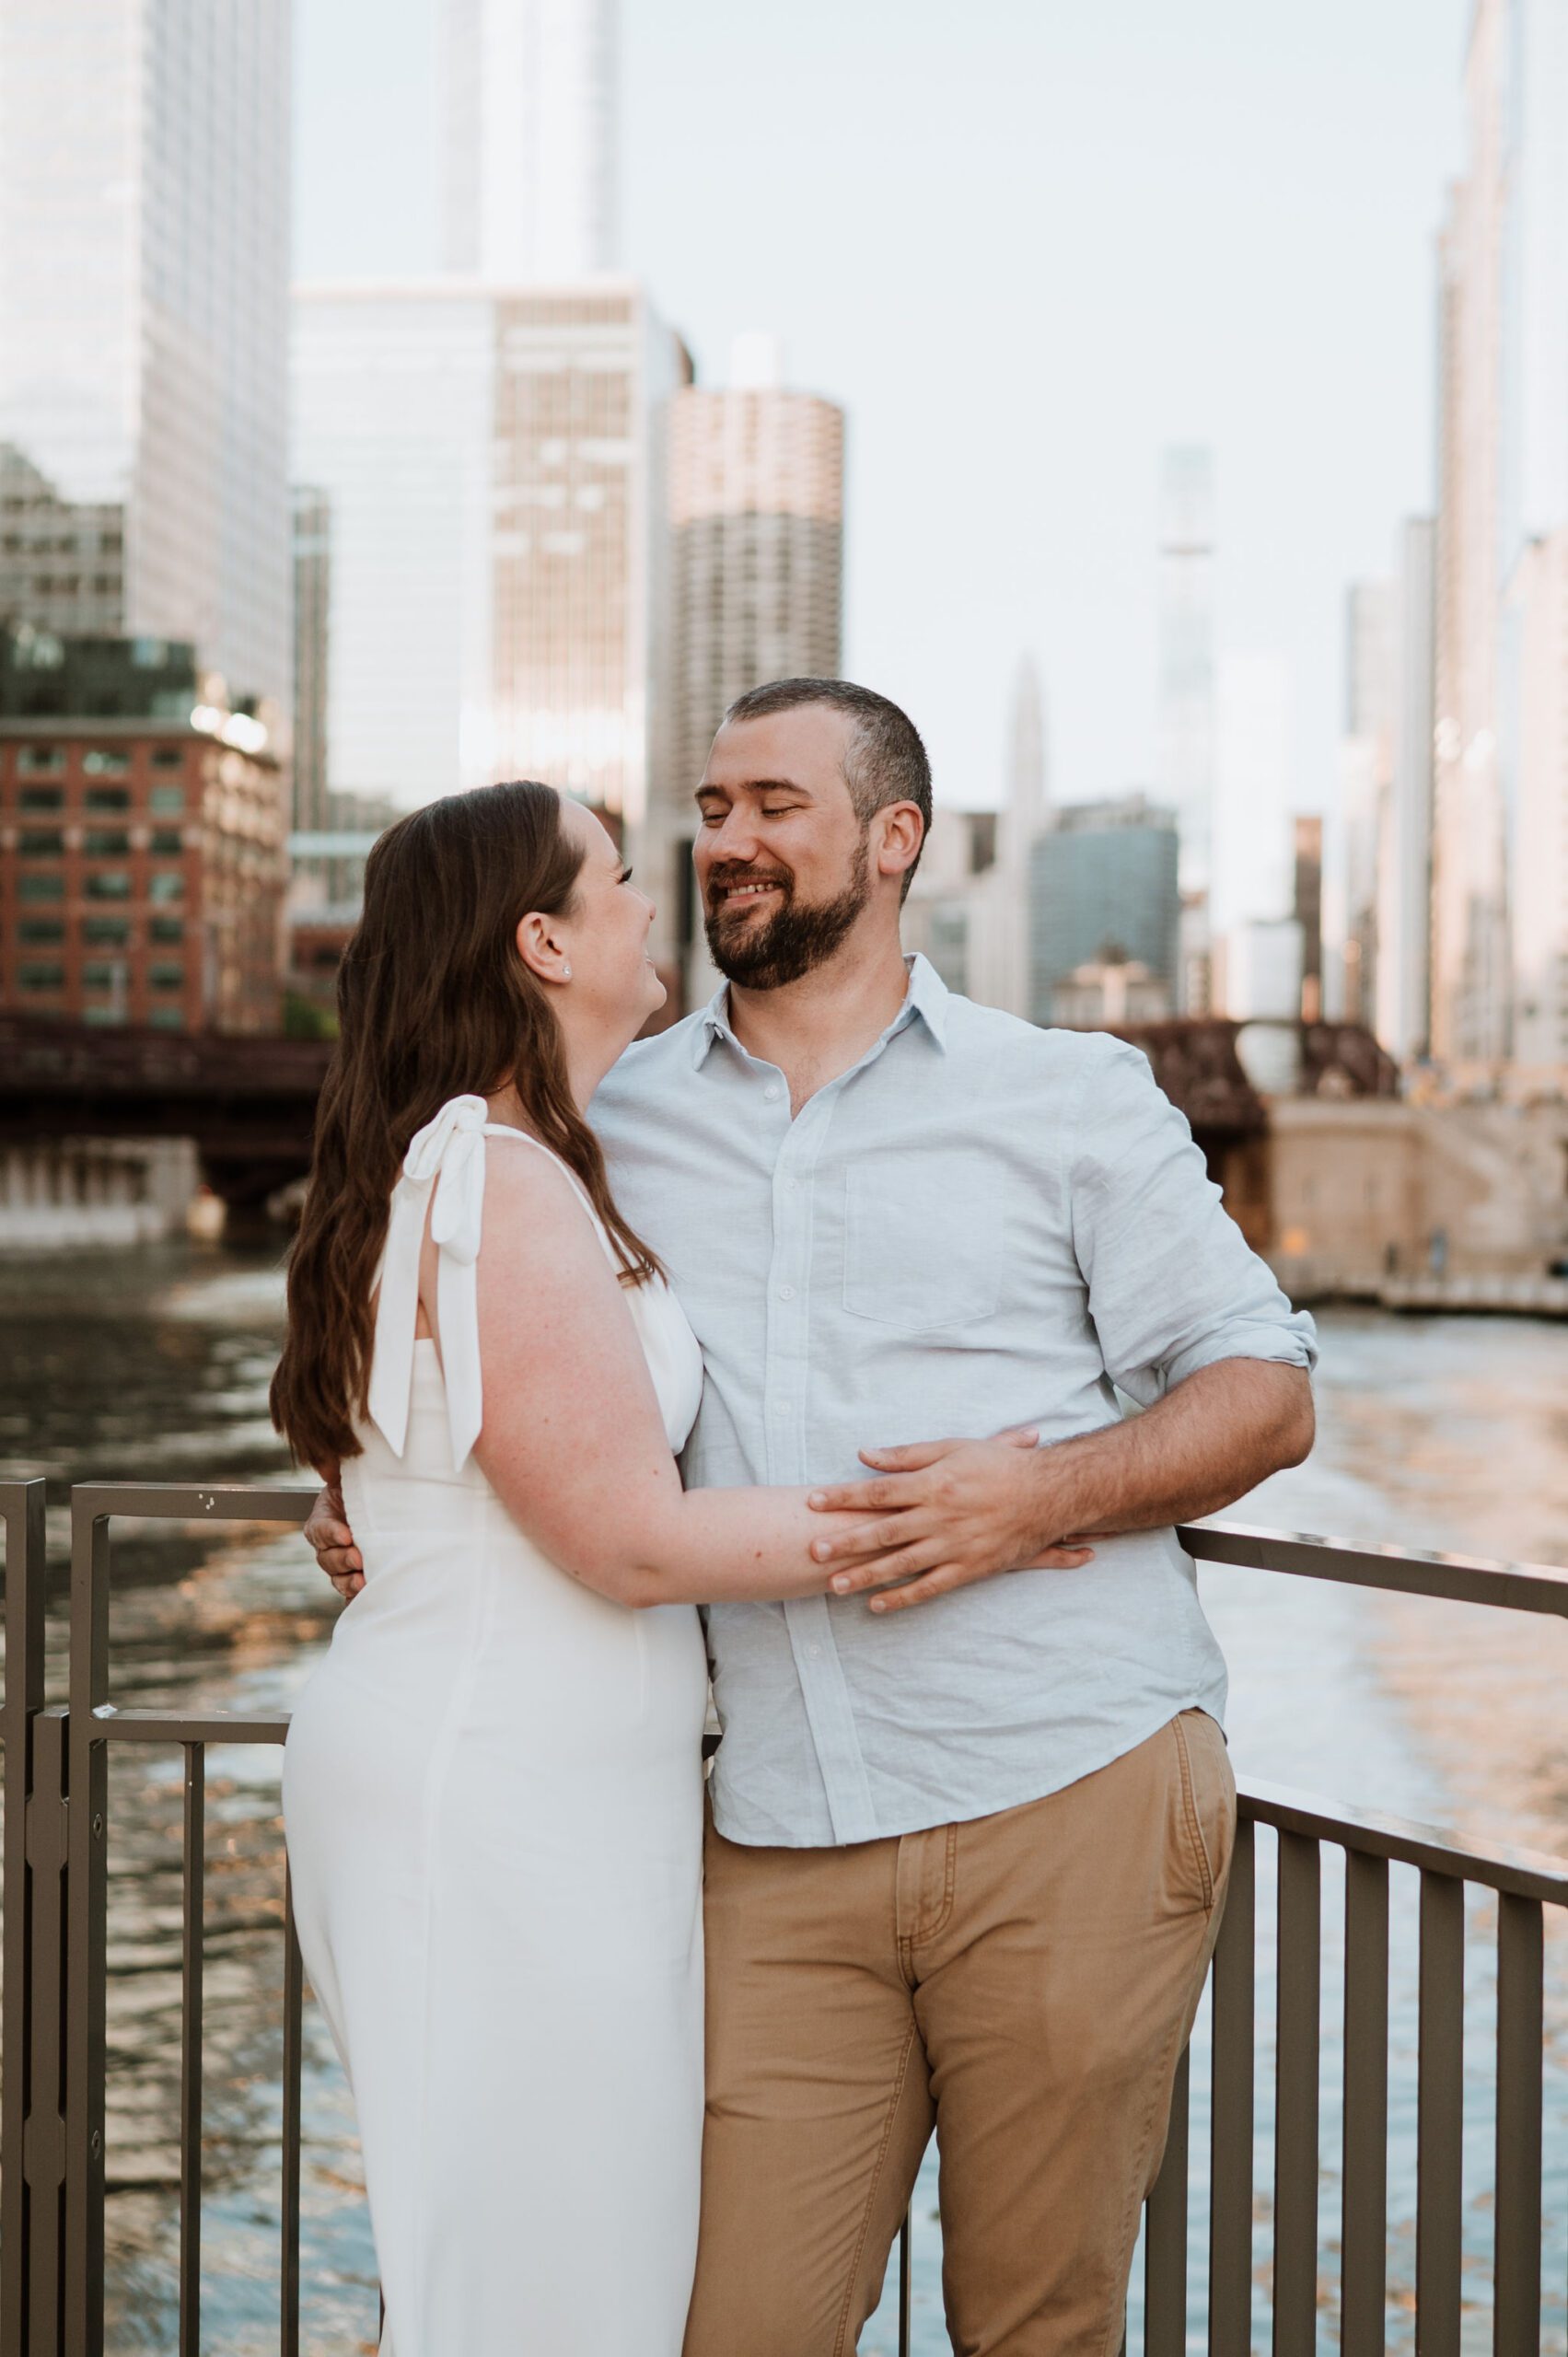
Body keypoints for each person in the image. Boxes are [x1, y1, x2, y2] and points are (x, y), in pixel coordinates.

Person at [308, 679, 1317, 2355]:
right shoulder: (592, 1120)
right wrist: (394, 1507)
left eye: (774, 803)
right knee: (727, 2326)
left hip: (1062, 1788)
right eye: (705, 813)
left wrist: (1041, 1494)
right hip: (764, 1837)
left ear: (895, 838)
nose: (726, 845)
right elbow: (467, 1327)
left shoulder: (1071, 1094)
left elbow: (1265, 1393)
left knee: (1036, 2325)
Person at [273, 779, 1031, 2356]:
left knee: (540, 2263)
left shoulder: (487, 1161)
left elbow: (436, 1458)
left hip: (529, 1783)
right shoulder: (501, 1175)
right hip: (502, 1796)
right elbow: (624, 1539)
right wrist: (964, 1514)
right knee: (542, 2284)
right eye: (620, 878)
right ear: (543, 940)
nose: (652, 899)